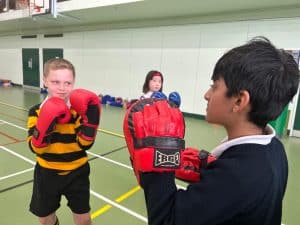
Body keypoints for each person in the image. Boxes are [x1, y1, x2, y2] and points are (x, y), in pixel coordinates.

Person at [123, 37, 299, 225]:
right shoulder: (275, 149)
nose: (206, 95)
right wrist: (212, 169)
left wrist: (159, 157)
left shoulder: (238, 176)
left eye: (214, 86)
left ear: (239, 101)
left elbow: (167, 220)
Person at [27, 58, 101, 225]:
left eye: (68, 83)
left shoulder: (78, 111)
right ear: (45, 81)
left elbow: (85, 144)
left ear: (73, 83)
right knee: (45, 219)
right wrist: (46, 124)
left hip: (77, 172)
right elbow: (35, 148)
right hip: (47, 173)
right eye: (55, 82)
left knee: (84, 219)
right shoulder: (36, 112)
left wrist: (91, 120)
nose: (62, 88)